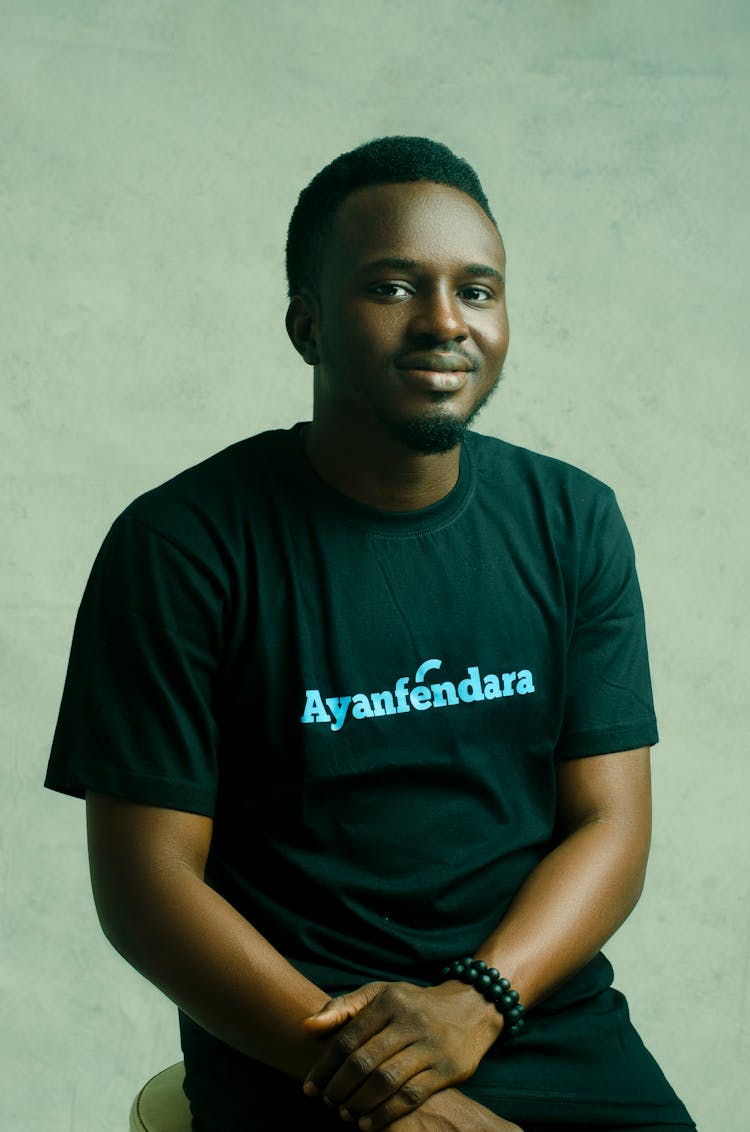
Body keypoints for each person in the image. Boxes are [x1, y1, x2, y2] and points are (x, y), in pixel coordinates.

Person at [45, 136, 697, 1132]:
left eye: (477, 290)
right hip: (295, 1033)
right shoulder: (180, 545)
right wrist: (397, 1088)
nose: (445, 321)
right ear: (308, 326)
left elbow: (611, 823)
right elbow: (146, 887)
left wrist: (482, 999)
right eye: (393, 287)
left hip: (531, 1012)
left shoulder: (572, 521)